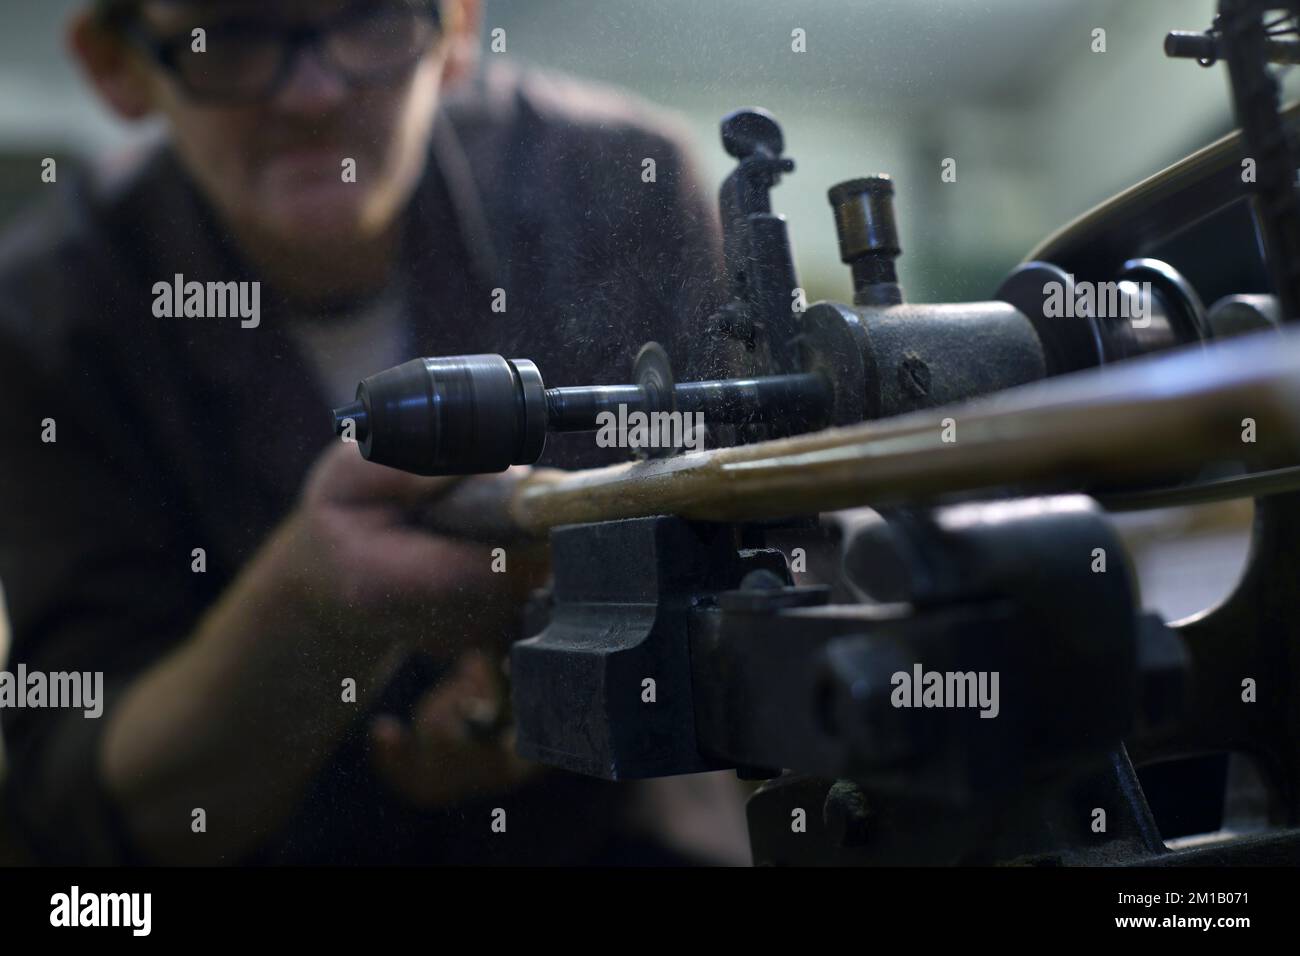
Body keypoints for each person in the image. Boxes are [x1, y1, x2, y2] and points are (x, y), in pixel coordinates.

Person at [0, 0, 750, 865]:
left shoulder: (622, 183)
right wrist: (313, 610)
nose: (315, 94)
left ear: (458, 29)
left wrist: (575, 687)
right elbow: (75, 808)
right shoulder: (53, 318)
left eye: (371, 18)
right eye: (234, 36)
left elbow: (759, 580)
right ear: (117, 66)